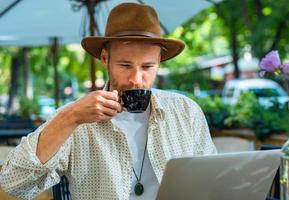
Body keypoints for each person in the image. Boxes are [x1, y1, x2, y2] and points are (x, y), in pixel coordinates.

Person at [0, 3, 216, 200]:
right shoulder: (75, 118)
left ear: (159, 61)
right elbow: (13, 183)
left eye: (147, 67)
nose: (136, 79)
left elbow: (211, 180)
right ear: (105, 59)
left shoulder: (186, 112)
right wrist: (70, 117)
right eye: (125, 65)